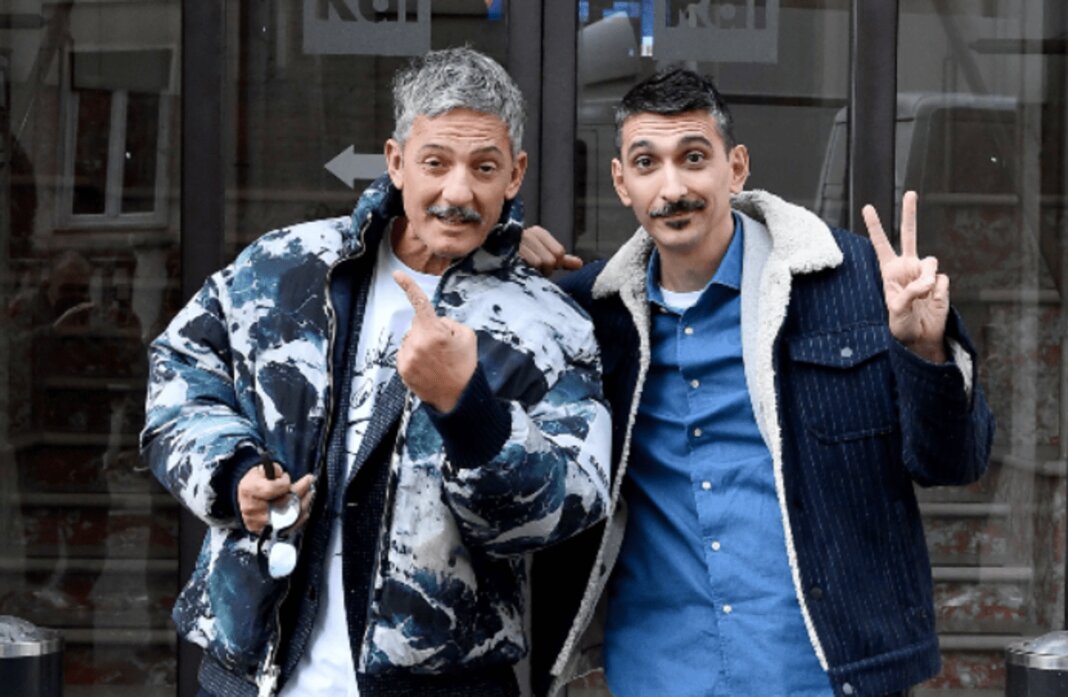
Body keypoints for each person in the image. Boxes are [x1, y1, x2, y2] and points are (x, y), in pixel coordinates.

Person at [141, 47, 611, 697]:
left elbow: (566, 506)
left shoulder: (549, 325)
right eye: (435, 163)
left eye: (484, 167)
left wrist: (467, 409)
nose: (458, 192)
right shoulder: (287, 267)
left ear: (515, 174)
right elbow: (180, 371)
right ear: (395, 161)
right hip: (254, 670)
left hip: (444, 683)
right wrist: (232, 472)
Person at [523, 68, 995, 697]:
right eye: (647, 163)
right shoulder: (590, 314)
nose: (673, 187)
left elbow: (954, 463)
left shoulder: (855, 281)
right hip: (659, 673)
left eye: (694, 158)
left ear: (737, 168)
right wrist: (500, 257)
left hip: (822, 672)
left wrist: (925, 348)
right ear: (621, 181)